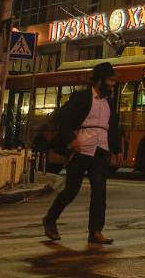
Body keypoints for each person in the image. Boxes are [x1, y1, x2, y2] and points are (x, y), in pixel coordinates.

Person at [42, 62, 119, 245]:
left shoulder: (109, 102)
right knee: (71, 189)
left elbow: (113, 126)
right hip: (82, 148)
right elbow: (62, 118)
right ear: (100, 81)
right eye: (110, 80)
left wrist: (117, 150)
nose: (113, 84)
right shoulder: (81, 97)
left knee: (100, 191)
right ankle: (50, 219)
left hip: (101, 148)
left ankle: (96, 231)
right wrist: (71, 139)